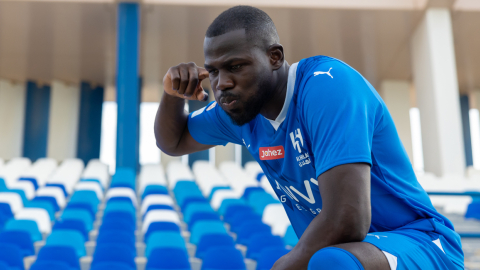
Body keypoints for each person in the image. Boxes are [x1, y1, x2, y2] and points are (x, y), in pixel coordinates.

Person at [154, 5, 463, 270]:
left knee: (330, 262)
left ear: (275, 57)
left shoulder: (326, 86)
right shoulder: (241, 110)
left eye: (236, 66)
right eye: (214, 71)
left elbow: (348, 220)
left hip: (420, 241)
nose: (222, 83)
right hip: (351, 253)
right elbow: (174, 142)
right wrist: (171, 94)